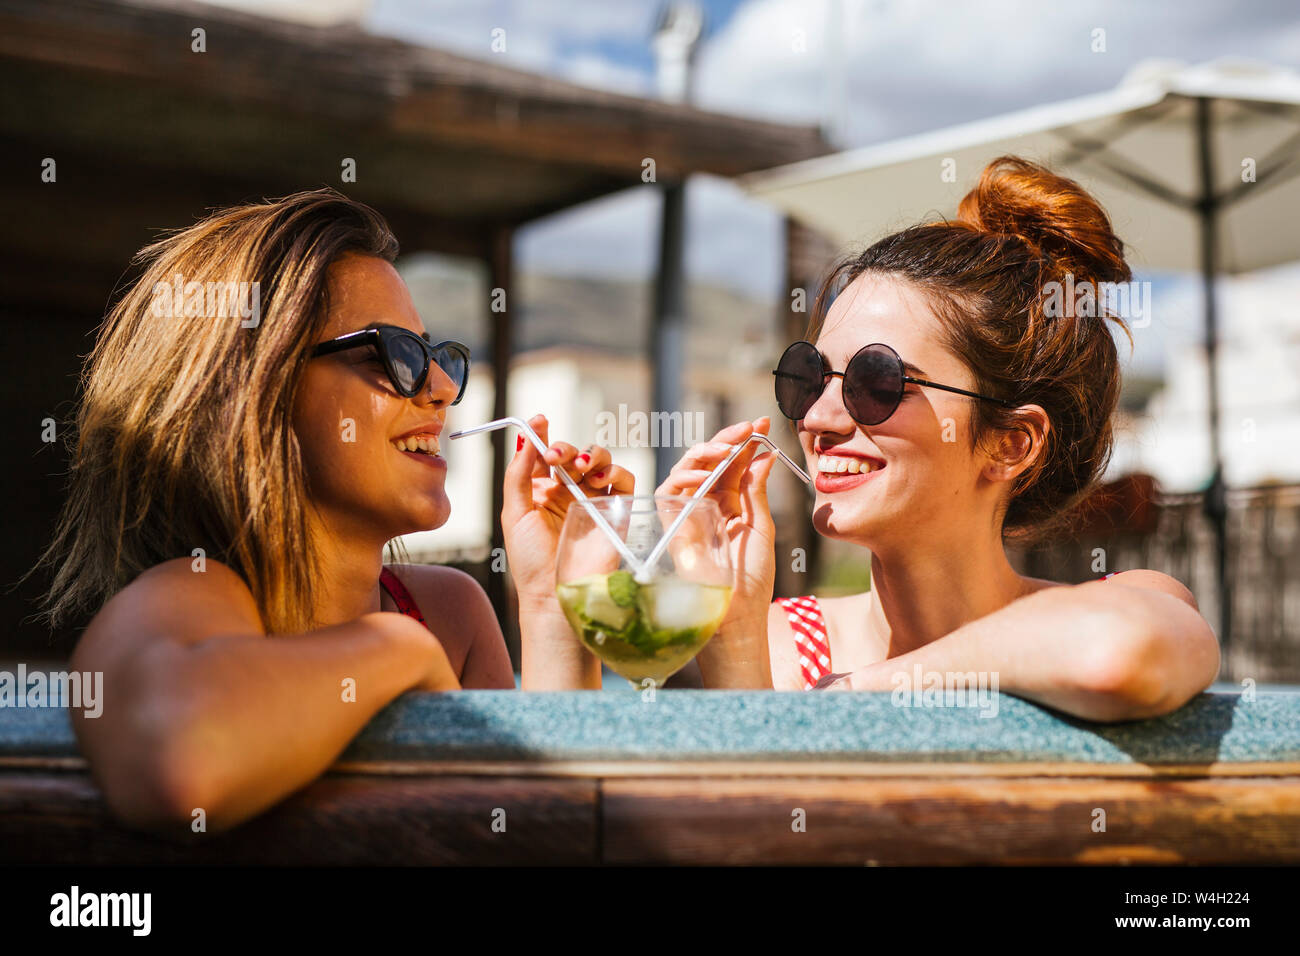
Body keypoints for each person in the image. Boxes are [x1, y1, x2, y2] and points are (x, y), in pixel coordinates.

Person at [26, 188, 631, 831]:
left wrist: (550, 605)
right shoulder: (195, 590)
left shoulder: (451, 613)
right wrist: (398, 648)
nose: (444, 387)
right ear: (258, 391)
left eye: (435, 354)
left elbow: (531, 836)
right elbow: (178, 758)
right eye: (395, 354)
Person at [656, 156, 1219, 720]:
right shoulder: (781, 641)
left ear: (1012, 443)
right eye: (808, 375)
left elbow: (1116, 654)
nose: (817, 418)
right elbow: (763, 807)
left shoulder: (1123, 605)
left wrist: (859, 691)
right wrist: (731, 634)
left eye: (876, 382)